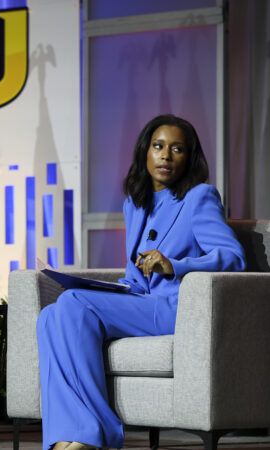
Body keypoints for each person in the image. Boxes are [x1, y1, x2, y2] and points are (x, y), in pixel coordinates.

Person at [36, 114, 246, 450]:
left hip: (175, 309)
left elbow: (233, 256)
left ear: (189, 158)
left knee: (74, 304)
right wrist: (117, 287)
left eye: (177, 149)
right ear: (145, 152)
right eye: (159, 146)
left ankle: (94, 435)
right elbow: (136, 275)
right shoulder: (135, 204)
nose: (166, 155)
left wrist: (173, 265)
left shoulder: (199, 197)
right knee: (50, 316)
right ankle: (69, 439)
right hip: (143, 302)